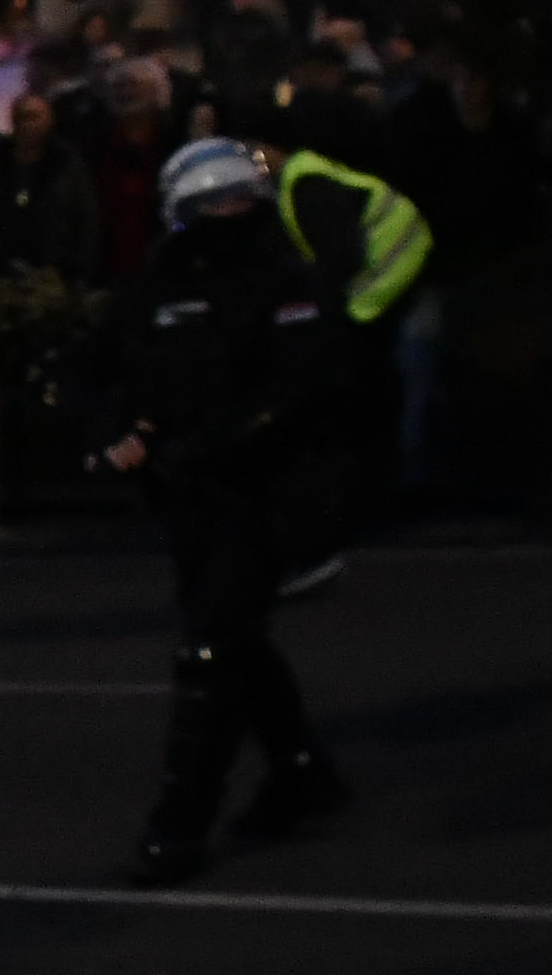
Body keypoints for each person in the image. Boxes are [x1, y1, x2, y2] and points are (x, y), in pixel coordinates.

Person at [83, 136, 362, 884]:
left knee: (210, 646)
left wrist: (208, 440)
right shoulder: (160, 284)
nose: (226, 213)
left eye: (237, 199)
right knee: (234, 634)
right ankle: (301, 770)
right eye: (210, 203)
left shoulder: (285, 280)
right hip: (195, 495)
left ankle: (181, 821)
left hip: (271, 488)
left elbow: (302, 388)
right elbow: (108, 366)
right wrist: (117, 431)